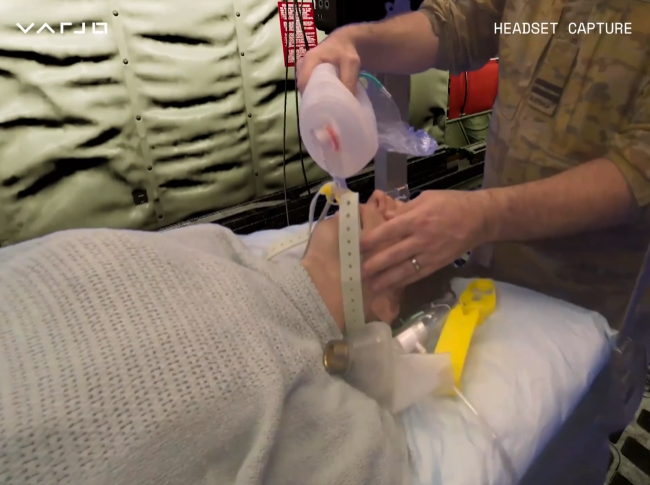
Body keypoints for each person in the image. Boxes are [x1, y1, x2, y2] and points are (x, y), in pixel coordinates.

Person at [0, 191, 410, 485]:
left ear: (387, 304)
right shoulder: (215, 241)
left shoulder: (346, 426)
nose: (379, 196)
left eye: (402, 215)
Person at [296, 0, 650, 334]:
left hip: (596, 302)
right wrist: (357, 42)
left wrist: (485, 215)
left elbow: (638, 168)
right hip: (492, 268)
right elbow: (454, 23)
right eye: (355, 221)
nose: (375, 197)